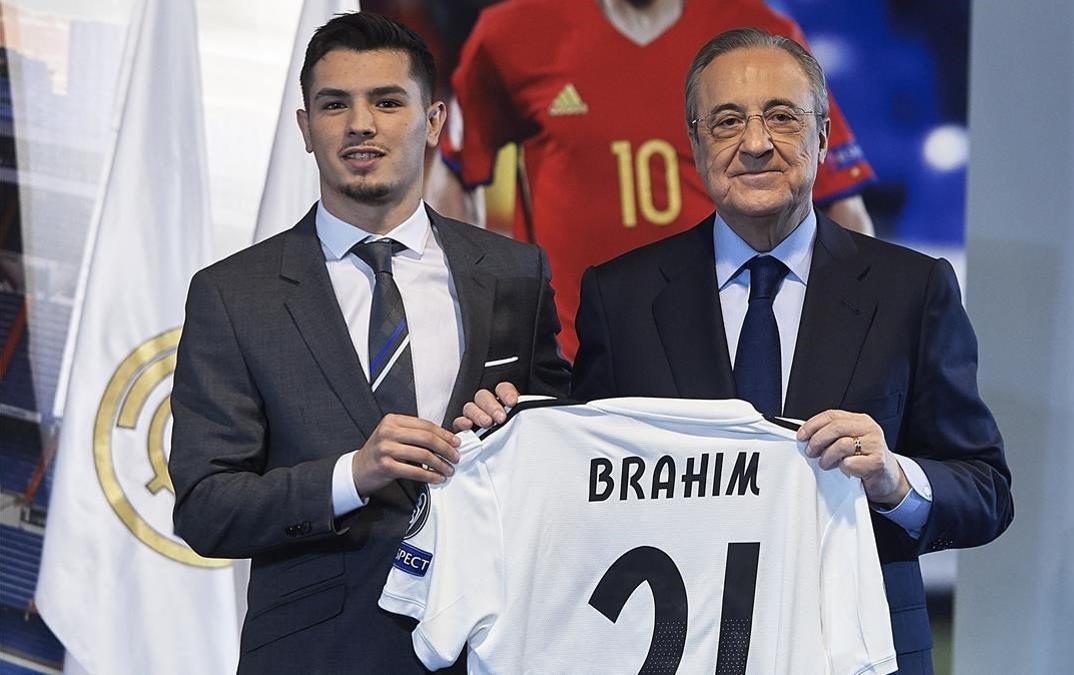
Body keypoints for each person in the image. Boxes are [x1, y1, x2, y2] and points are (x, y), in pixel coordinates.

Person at [460, 28, 1012, 674]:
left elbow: (987, 489)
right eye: (727, 122)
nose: (755, 143)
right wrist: (511, 440)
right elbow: (586, 487)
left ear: (825, 134)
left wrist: (896, 479)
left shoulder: (913, 290)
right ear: (694, 144)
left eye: (781, 116)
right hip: (672, 653)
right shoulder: (621, 297)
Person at [168, 13, 569, 673]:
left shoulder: (515, 272)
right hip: (317, 653)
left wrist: (518, 425)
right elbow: (207, 508)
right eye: (334, 104)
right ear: (306, 128)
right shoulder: (234, 294)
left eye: (387, 101)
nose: (361, 123)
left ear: (434, 120)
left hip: (494, 645)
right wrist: (350, 474)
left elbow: (561, 448)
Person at [427, 0, 877, 358]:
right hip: (567, 357)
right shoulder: (511, 33)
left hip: (734, 354)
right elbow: (456, 172)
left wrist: (852, 343)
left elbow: (840, 204)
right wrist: (480, 327)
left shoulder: (756, 31)